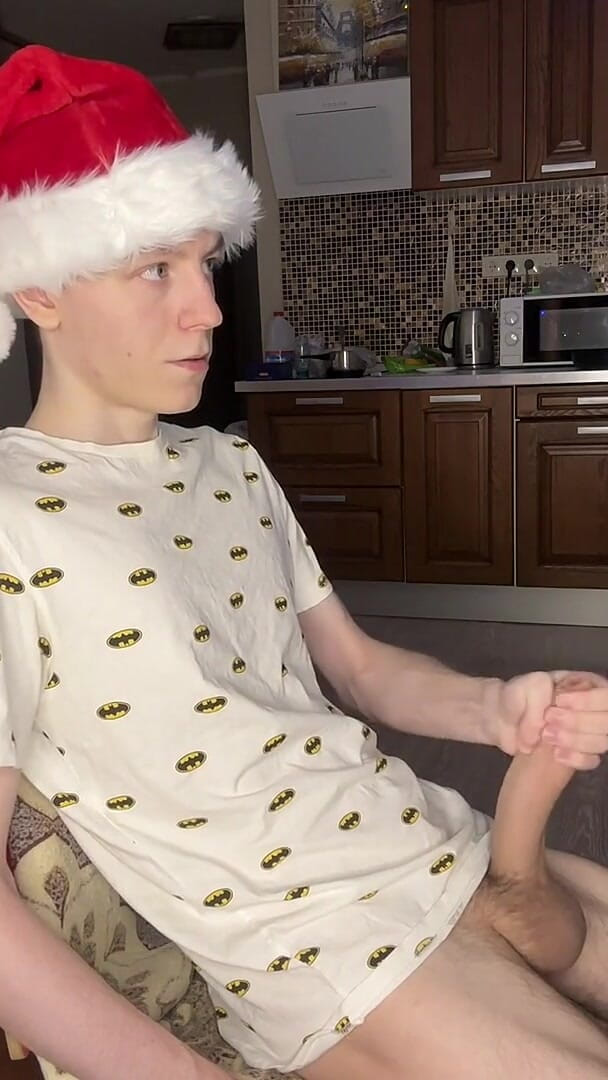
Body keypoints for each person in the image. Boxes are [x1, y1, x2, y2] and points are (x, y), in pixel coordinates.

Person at [0, 43, 607, 1080]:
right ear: (40, 289)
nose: (208, 308)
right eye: (156, 269)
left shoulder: (229, 463)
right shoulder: (11, 517)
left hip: (421, 830)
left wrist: (493, 707)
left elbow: (360, 670)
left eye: (205, 263)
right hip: (312, 949)